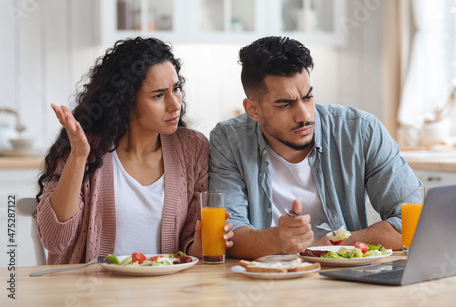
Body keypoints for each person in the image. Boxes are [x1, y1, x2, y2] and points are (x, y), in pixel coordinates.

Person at [208, 36, 421, 260]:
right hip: (266, 277)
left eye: (308, 97)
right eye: (285, 104)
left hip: (346, 276)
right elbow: (229, 236)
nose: (305, 115)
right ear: (253, 110)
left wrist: (331, 243)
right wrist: (278, 239)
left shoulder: (361, 131)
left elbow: (413, 223)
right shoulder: (229, 140)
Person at [36, 37, 233, 265]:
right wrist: (78, 157)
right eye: (158, 95)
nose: (175, 104)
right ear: (126, 101)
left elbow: (189, 242)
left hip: (165, 294)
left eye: (176, 89)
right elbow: (54, 240)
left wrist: (198, 246)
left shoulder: (192, 148)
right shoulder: (85, 148)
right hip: (91, 293)